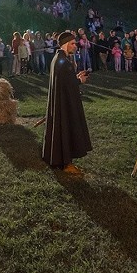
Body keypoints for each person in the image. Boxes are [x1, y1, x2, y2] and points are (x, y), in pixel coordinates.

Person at [42, 31, 92, 175]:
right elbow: (68, 83)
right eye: (72, 43)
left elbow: (64, 80)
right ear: (65, 44)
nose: (75, 46)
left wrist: (75, 76)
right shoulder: (62, 61)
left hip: (62, 101)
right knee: (65, 129)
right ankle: (66, 163)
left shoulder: (58, 58)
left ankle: (62, 160)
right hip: (64, 104)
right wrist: (79, 80)